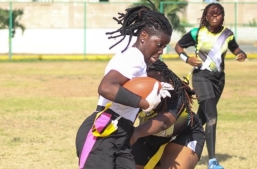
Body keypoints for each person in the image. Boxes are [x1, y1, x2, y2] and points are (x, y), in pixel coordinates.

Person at [75, 1, 173, 168]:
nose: (161, 50)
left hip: (120, 132)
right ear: (143, 36)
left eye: (164, 46)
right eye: (159, 44)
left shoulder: (141, 63)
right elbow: (106, 87)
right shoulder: (133, 57)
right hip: (102, 131)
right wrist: (145, 103)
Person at [174, 3, 247, 169]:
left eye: (218, 13)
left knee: (202, 118)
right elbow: (178, 46)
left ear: (223, 16)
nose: (215, 16)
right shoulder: (197, 32)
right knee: (212, 117)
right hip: (201, 78)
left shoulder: (227, 34)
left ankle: (177, 140)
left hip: (219, 80)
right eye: (211, 14)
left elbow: (234, 48)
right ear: (205, 16)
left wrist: (241, 54)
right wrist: (187, 59)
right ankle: (212, 161)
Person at [130, 59, 205, 169]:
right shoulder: (135, 88)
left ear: (161, 74)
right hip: (148, 136)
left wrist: (135, 133)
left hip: (183, 134)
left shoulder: (176, 92)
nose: (147, 82)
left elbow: (164, 122)